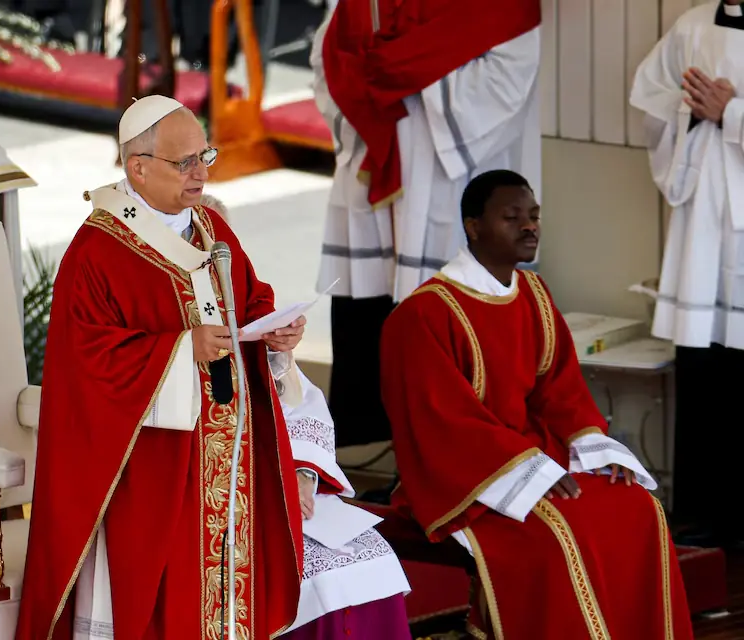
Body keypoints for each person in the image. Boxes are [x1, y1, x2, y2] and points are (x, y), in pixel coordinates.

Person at [16, 95, 308, 640]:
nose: (201, 173)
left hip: (226, 458)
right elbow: (89, 365)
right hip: (152, 468)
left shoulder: (211, 230)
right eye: (185, 163)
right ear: (137, 167)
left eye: (206, 156)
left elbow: (249, 299)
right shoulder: (97, 252)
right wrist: (180, 351)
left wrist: (274, 335)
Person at [380, 170, 694, 639]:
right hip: (463, 477)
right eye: (511, 217)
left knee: (638, 507)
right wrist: (529, 471)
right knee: (556, 534)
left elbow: (560, 390)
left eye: (534, 216)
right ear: (473, 226)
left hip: (535, 456)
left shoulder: (534, 295)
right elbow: (439, 420)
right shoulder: (424, 313)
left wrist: (596, 451)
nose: (529, 226)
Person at [310, 0, 542, 446]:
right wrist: (376, 81)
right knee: (369, 324)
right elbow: (329, 53)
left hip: (445, 175)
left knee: (447, 335)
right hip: (372, 162)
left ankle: (450, 461)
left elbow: (507, 76)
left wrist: (404, 75)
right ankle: (368, 461)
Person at [629, 0, 744, 548]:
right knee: (703, 367)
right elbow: (651, 100)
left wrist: (733, 112)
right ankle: (700, 511)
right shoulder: (693, 26)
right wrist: (690, 112)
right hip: (704, 222)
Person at [271, 359, 411, 639]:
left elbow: (300, 404)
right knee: (317, 584)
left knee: (370, 563)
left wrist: (302, 472)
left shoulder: (251, 338)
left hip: (284, 478)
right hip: (216, 490)